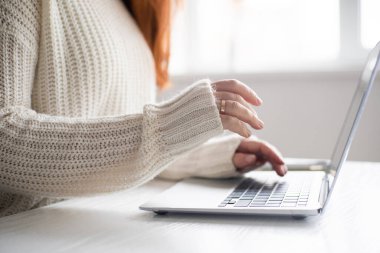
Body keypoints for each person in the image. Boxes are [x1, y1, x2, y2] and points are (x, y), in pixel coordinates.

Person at [0, 0, 287, 217]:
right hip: (31, 229)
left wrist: (213, 155)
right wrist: (165, 127)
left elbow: (123, 158)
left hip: (107, 221)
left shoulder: (128, 10)